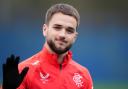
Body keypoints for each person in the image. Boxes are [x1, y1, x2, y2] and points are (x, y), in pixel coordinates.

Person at [2, 3, 93, 89]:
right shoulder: (23, 71)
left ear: (75, 37)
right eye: (57, 27)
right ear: (45, 30)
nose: (62, 34)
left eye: (69, 30)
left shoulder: (83, 75)